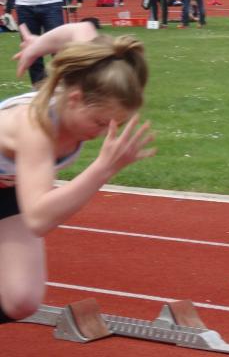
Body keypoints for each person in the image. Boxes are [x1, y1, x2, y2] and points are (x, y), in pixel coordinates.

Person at [0, 21, 154, 324]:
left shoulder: (97, 66)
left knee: (21, 299)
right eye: (100, 122)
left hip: (7, 187)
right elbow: (39, 218)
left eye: (115, 124)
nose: (104, 133)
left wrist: (37, 45)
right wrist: (103, 168)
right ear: (74, 98)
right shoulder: (35, 128)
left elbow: (80, 29)